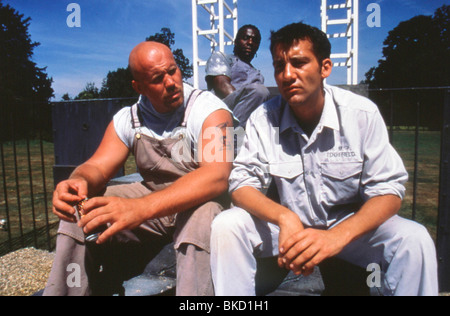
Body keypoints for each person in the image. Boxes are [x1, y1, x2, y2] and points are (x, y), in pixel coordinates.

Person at [210, 22, 439, 296]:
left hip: (348, 229)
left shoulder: (361, 114)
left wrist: (336, 237)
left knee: (415, 239)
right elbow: (241, 185)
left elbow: (389, 191)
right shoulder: (263, 118)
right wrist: (285, 218)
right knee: (227, 225)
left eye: (299, 63)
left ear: (325, 68)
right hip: (288, 228)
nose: (286, 75)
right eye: (279, 65)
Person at [44, 41, 234, 296]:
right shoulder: (129, 118)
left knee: (200, 222)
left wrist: (140, 208)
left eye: (173, 70)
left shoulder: (210, 109)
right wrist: (78, 180)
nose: (171, 82)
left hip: (202, 202)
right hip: (154, 206)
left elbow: (216, 177)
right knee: (79, 212)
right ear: (138, 86)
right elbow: (98, 166)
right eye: (157, 78)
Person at [205, 24, 271, 127]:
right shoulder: (221, 58)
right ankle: (232, 136)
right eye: (245, 38)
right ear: (235, 41)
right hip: (220, 113)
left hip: (248, 119)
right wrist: (253, 96)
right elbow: (222, 88)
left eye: (255, 40)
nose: (250, 43)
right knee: (260, 91)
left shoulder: (258, 75)